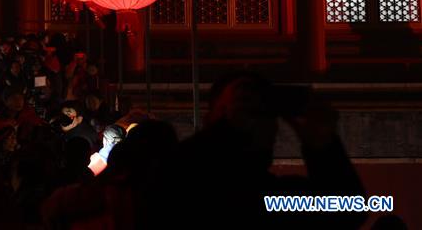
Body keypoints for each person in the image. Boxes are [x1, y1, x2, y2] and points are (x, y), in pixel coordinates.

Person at [149, 71, 366, 230]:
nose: (249, 122)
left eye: (259, 113)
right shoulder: (184, 184)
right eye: (237, 109)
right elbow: (167, 187)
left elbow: (347, 210)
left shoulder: (275, 199)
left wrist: (322, 145)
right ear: (210, 120)